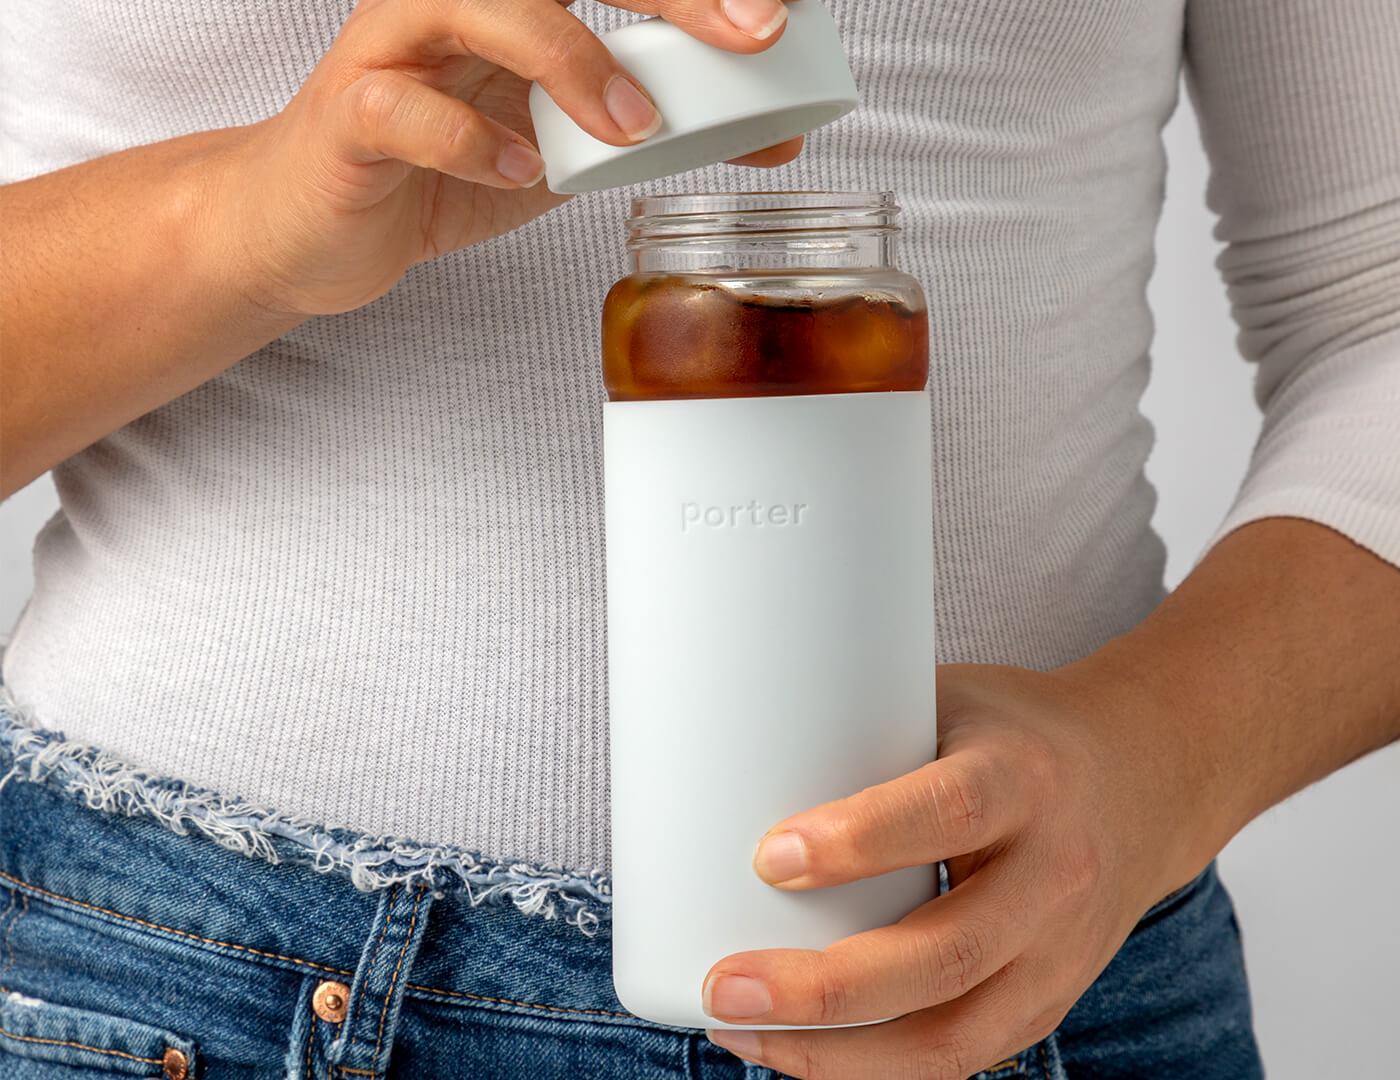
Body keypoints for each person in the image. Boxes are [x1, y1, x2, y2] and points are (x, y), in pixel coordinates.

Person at [1, 0, 1397, 1077]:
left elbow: (1377, 310)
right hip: (169, 979)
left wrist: (1160, 755)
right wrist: (240, 220)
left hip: (1002, 977)